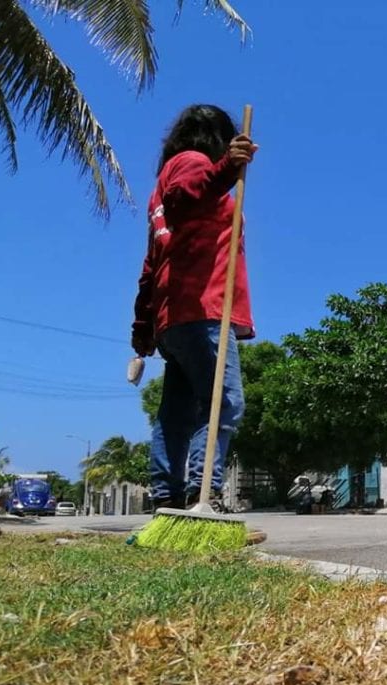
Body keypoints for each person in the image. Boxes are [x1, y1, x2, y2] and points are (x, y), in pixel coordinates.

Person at [130, 104, 258, 512]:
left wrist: (143, 329)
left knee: (178, 412)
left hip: (172, 316)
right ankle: (204, 494)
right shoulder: (193, 164)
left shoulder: (159, 189)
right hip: (203, 308)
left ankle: (166, 496)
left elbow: (151, 264)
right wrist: (225, 169)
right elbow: (189, 194)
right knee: (225, 401)